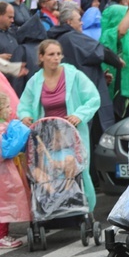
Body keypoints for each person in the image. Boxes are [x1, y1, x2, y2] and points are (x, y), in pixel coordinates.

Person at [17, 39, 100, 214]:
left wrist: (79, 114)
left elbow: (93, 98)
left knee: (79, 171)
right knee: (45, 172)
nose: (56, 58)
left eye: (58, 54)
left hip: (72, 134)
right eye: (51, 54)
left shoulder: (74, 75)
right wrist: (25, 116)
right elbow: (24, 104)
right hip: (45, 136)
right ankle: (48, 208)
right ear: (41, 57)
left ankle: (86, 210)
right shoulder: (35, 80)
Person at [0, 90, 29, 248]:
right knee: (5, 205)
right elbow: (6, 151)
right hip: (3, 174)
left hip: (6, 171)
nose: (10, 110)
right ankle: (1, 236)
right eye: (7, 106)